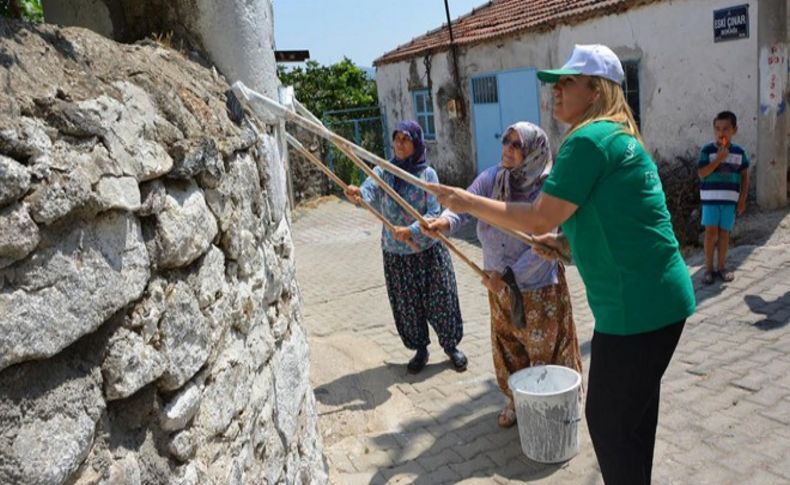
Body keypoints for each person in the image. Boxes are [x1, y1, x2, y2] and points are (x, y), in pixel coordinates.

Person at [427, 45, 695, 485]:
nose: (555, 89)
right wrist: (563, 244)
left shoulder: (588, 141)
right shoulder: (621, 138)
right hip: (662, 300)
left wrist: (463, 200)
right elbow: (618, 219)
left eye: (568, 81)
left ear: (596, 91)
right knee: (633, 421)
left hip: (634, 309)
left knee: (608, 424)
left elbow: (537, 215)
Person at [421, 121, 582, 428]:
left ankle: (548, 407)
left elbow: (542, 246)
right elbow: (464, 202)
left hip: (537, 288)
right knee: (508, 346)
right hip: (498, 286)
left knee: (541, 349)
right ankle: (516, 400)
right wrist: (444, 222)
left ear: (533, 151)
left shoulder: (549, 188)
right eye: (505, 140)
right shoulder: (494, 177)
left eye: (515, 144)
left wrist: (507, 276)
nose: (507, 148)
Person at [344, 120, 468, 373]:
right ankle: (420, 350)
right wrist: (357, 195)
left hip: (428, 250)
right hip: (396, 253)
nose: (400, 144)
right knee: (408, 305)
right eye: (397, 138)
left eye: (406, 139)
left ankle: (450, 346)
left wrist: (411, 230)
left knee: (441, 299)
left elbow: (434, 211)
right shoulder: (384, 171)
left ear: (416, 143)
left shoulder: (427, 175)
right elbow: (368, 193)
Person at [698, 111, 749, 284]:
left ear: (734, 130)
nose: (721, 133)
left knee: (724, 233)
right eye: (717, 129)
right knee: (711, 233)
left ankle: (721, 267)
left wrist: (742, 198)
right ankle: (708, 269)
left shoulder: (740, 152)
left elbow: (745, 176)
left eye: (726, 129)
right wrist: (719, 159)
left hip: (729, 201)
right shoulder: (708, 150)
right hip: (710, 200)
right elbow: (702, 173)